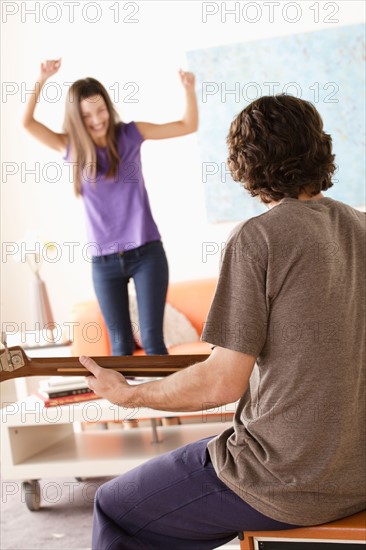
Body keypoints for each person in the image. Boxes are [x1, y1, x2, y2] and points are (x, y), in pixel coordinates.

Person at [81, 94, 365, 550]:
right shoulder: (361, 226)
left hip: (282, 482)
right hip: (356, 475)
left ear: (245, 166)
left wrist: (127, 394)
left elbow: (221, 383)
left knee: (115, 506)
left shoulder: (258, 238)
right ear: (320, 150)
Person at [23, 59, 198, 356]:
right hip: (103, 262)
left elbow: (188, 125)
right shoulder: (71, 147)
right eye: (87, 114)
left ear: (109, 106)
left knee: (154, 342)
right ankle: (131, 404)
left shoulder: (130, 134)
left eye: (100, 110)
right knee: (121, 347)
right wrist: (41, 78)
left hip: (147, 254)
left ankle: (166, 402)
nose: (96, 119)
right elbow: (26, 123)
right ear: (76, 117)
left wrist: (189, 90)